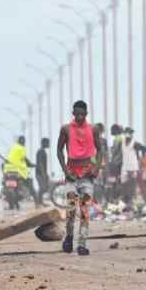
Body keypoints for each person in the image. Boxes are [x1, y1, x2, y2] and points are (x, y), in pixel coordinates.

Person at [57, 100, 97, 256]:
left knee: (85, 211)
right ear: (73, 114)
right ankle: (69, 236)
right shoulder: (66, 129)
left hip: (87, 176)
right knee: (72, 208)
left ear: (86, 114)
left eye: (82, 114)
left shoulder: (93, 129)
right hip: (72, 176)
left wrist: (96, 167)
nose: (80, 117)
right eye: (77, 114)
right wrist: (65, 171)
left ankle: (82, 244)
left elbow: (100, 150)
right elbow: (59, 150)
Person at [3, 136, 37, 207]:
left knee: (12, 188)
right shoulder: (21, 148)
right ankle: (37, 202)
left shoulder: (13, 148)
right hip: (18, 170)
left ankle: (12, 204)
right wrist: (31, 164)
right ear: (21, 141)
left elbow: (13, 158)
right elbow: (24, 159)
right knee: (30, 184)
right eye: (24, 141)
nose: (24, 142)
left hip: (8, 171)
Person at [35, 138, 50, 207]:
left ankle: (40, 202)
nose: (49, 144)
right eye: (47, 143)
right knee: (42, 187)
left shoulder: (42, 151)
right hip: (39, 173)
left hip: (42, 173)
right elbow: (40, 163)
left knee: (45, 187)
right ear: (43, 143)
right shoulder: (40, 151)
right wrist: (44, 174)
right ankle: (38, 202)